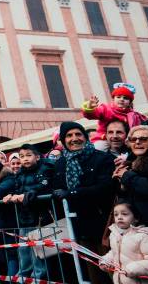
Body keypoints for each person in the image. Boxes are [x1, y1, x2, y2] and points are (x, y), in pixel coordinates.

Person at [52, 121, 115, 284]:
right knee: (93, 273)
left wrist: (72, 193)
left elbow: (105, 186)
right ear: (63, 140)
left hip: (105, 224)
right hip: (79, 226)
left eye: (78, 134)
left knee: (112, 269)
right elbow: (56, 188)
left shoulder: (102, 158)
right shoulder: (60, 163)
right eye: (69, 135)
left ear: (85, 137)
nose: (74, 139)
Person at [0, 144, 54, 281]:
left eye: (28, 155)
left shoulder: (45, 168)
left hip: (40, 219)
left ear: (37, 156)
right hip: (24, 218)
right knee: (24, 252)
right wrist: (10, 195)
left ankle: (38, 279)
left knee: (39, 255)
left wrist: (26, 195)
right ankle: (24, 278)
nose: (25, 159)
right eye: (22, 156)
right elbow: (17, 189)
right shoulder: (19, 173)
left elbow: (43, 186)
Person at [113, 125, 148, 231]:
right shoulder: (129, 163)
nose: (137, 142)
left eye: (143, 139)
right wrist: (119, 181)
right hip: (135, 227)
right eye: (133, 139)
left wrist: (126, 176)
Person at [100, 202, 148, 284]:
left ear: (136, 218)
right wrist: (106, 261)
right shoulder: (114, 235)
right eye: (116, 215)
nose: (119, 217)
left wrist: (132, 269)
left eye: (124, 214)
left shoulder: (144, 237)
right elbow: (114, 253)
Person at [82, 83, 146, 146]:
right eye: (118, 97)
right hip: (103, 139)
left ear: (130, 102)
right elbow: (92, 115)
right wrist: (90, 108)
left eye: (125, 98)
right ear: (113, 99)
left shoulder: (133, 115)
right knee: (99, 148)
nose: (122, 99)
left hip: (124, 141)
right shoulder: (106, 108)